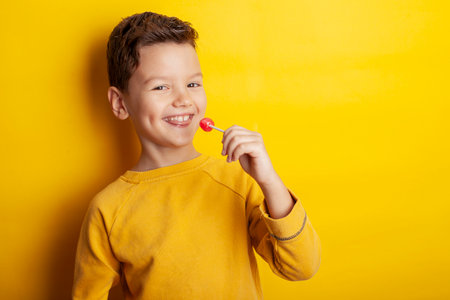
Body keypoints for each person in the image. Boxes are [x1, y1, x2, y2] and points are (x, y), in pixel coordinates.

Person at [72, 11, 321, 300]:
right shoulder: (108, 210)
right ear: (119, 103)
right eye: (161, 87)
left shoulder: (238, 181)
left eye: (192, 84)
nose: (183, 100)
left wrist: (269, 180)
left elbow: (302, 266)